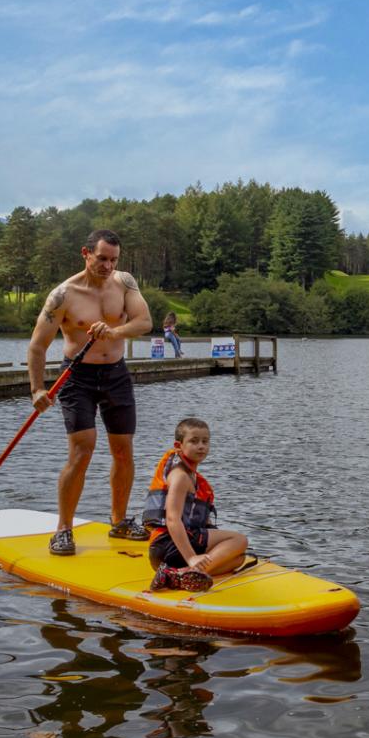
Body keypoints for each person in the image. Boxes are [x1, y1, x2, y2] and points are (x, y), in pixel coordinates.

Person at [28, 228, 153, 555]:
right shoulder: (63, 294)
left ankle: (119, 521)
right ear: (86, 254)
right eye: (102, 259)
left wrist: (114, 332)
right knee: (82, 450)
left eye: (113, 259)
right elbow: (38, 346)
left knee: (123, 450)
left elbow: (144, 322)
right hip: (76, 377)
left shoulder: (125, 283)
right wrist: (37, 388)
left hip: (116, 375)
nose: (108, 266)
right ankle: (63, 529)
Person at [142, 417, 248, 592]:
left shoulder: (190, 474)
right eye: (194, 441)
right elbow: (172, 519)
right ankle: (187, 570)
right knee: (239, 540)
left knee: (238, 559)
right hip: (166, 545)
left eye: (205, 441)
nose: (201, 446)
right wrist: (192, 557)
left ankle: (176, 575)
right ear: (178, 446)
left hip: (171, 551)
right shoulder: (180, 477)